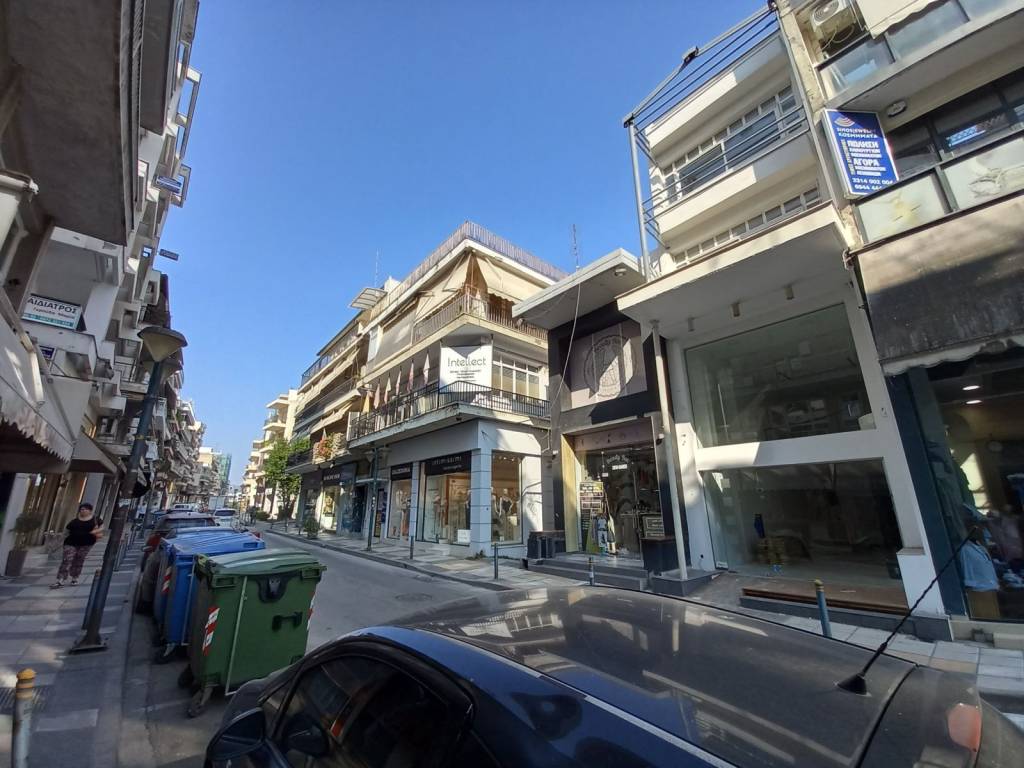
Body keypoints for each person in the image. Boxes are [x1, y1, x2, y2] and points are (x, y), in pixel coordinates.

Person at [51, 502, 103, 588]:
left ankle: (75, 577)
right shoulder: (74, 521)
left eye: (84, 509)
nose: (82, 511)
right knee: (67, 560)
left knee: (79, 560)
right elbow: (66, 531)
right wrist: (58, 542)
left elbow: (102, 527)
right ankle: (61, 579)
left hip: (86, 544)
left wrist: (95, 531)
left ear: (90, 511)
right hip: (70, 543)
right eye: (81, 509)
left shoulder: (95, 520)